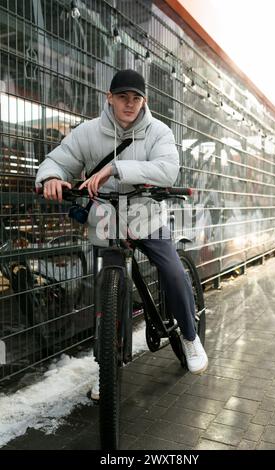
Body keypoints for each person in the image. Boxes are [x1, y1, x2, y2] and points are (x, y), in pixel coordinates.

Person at [35, 69, 208, 398]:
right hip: (107, 218)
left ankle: (189, 335)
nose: (130, 104)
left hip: (147, 214)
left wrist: (116, 169)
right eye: (122, 97)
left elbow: (168, 169)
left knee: (171, 270)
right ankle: (108, 367)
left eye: (136, 98)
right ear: (109, 98)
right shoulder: (88, 132)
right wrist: (51, 178)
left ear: (144, 101)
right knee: (109, 290)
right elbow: (58, 159)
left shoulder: (158, 131)